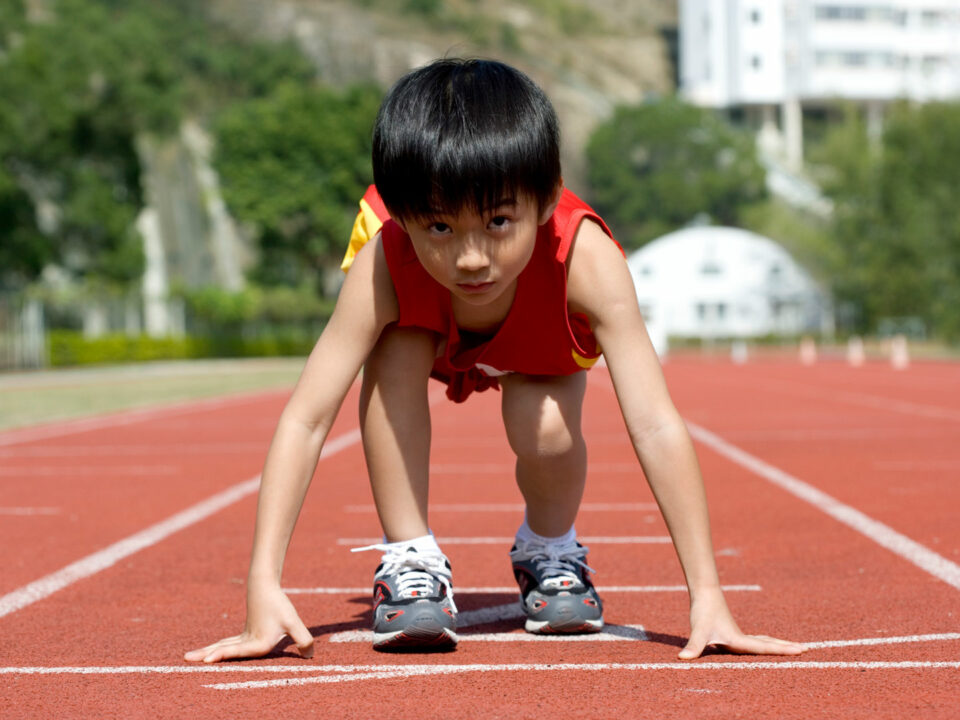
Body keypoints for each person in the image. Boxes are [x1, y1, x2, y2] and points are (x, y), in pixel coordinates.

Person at [185, 58, 805, 662]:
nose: (473, 258)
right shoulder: (386, 255)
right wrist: (262, 583)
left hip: (535, 340)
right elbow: (307, 417)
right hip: (424, 329)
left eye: (499, 221)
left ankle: (550, 548)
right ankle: (410, 559)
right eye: (439, 228)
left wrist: (709, 595)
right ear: (402, 216)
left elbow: (655, 422)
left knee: (547, 427)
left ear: (546, 199)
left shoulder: (585, 259)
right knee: (393, 351)